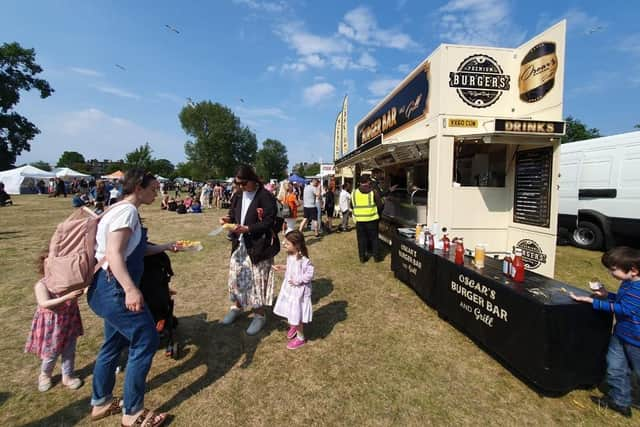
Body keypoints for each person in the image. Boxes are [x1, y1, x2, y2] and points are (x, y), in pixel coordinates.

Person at [87, 169, 175, 427]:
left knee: (113, 344)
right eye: (153, 189)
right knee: (146, 339)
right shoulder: (127, 212)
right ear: (138, 187)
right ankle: (133, 413)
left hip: (105, 289)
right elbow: (114, 254)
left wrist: (165, 247)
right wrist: (130, 289)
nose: (156, 193)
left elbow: (132, 249)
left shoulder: (118, 209)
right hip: (113, 289)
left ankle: (100, 402)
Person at [570, 246, 640, 418]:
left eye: (613, 269)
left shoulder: (638, 289)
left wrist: (591, 301)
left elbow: (624, 309)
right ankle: (620, 401)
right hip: (621, 335)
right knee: (615, 367)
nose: (610, 273)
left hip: (636, 341)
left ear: (634, 270)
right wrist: (606, 295)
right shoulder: (628, 283)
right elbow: (620, 300)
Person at [219, 164, 280, 335]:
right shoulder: (238, 195)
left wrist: (248, 228)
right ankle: (236, 307)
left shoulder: (265, 196)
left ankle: (259, 315)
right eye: (237, 183)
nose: (240, 187)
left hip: (258, 246)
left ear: (252, 180)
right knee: (236, 276)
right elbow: (233, 214)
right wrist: (227, 219)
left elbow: (269, 221)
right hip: (239, 244)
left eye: (243, 183)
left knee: (256, 281)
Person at [25, 250, 84, 392]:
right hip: (52, 325)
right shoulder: (42, 285)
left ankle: (68, 376)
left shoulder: (68, 282)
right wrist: (67, 297)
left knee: (69, 350)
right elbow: (44, 303)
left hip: (69, 321)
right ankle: (45, 375)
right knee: (51, 353)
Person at [272, 230, 314, 350]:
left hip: (298, 293)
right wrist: (283, 267)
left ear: (297, 245)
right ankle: (294, 325)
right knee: (290, 310)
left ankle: (300, 338)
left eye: (287, 243)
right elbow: (291, 267)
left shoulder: (304, 260)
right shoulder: (291, 256)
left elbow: (309, 274)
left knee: (297, 314)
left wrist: (298, 280)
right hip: (290, 290)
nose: (284, 244)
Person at [352, 175, 383, 263]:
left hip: (360, 221)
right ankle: (376, 257)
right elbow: (380, 205)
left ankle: (362, 258)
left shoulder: (354, 193)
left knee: (361, 239)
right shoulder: (373, 192)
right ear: (368, 181)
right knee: (374, 239)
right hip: (372, 220)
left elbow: (352, 205)